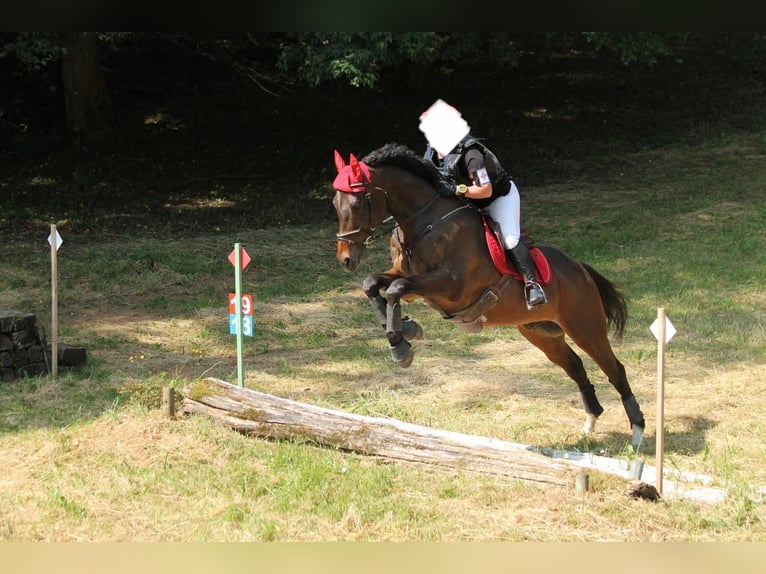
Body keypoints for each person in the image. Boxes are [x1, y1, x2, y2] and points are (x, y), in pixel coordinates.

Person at [419, 99, 547, 309]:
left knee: (509, 238)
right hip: (467, 202)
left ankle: (532, 285)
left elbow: (485, 190)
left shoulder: (472, 154)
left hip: (496, 198)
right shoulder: (432, 152)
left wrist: (458, 190)